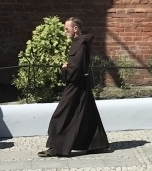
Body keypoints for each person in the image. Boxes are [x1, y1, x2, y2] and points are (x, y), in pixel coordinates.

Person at [38, 18, 109, 157]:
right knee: (87, 115)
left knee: (59, 116)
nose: (65, 32)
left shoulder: (81, 45)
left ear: (75, 29)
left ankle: (57, 148)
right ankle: (97, 144)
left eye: (67, 29)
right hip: (80, 85)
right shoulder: (78, 43)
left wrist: (65, 69)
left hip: (76, 86)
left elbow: (76, 70)